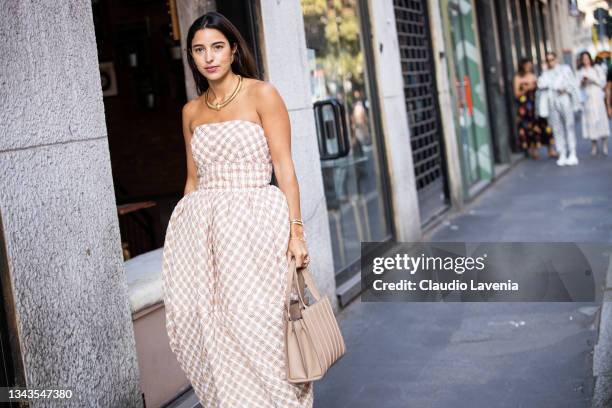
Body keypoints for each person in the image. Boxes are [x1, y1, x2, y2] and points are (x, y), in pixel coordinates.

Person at [160, 12, 313, 407]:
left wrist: (296, 233)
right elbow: (192, 180)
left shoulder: (262, 94)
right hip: (204, 232)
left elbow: (285, 169)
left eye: (216, 46)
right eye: (199, 49)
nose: (208, 57)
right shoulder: (190, 112)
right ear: (191, 57)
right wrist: (183, 241)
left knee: (260, 326)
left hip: (257, 226)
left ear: (232, 50)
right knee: (211, 329)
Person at [537, 51, 582, 166]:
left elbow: (573, 84)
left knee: (569, 126)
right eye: (548, 60)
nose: (550, 62)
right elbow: (541, 84)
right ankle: (561, 152)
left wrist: (565, 89)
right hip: (552, 101)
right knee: (557, 128)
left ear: (556, 59)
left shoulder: (565, 69)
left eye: (552, 59)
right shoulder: (545, 73)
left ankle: (572, 152)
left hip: (564, 99)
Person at [513, 58, 556, 159]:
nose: (529, 67)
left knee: (543, 125)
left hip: (536, 104)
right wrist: (527, 88)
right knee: (529, 128)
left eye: (530, 65)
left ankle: (550, 149)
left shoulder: (534, 76)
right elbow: (516, 94)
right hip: (525, 106)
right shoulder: (518, 78)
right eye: (527, 65)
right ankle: (534, 151)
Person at [577, 51, 609, 156]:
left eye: (587, 58)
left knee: (601, 119)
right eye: (583, 59)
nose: (585, 60)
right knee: (590, 121)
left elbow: (602, 82)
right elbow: (578, 86)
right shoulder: (580, 71)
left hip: (597, 97)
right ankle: (594, 145)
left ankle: (604, 143)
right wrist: (583, 82)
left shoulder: (597, 69)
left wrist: (592, 79)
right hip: (587, 99)